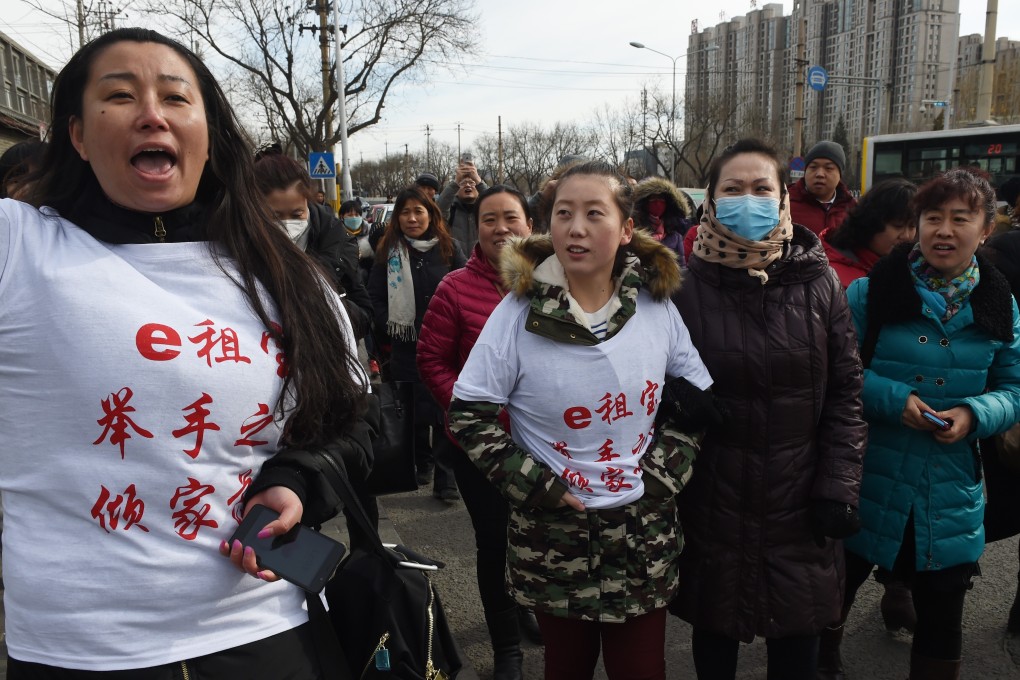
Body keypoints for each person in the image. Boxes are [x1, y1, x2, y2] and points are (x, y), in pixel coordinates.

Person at [1, 27, 370, 677]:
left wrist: (299, 482)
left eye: (176, 97)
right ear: (79, 136)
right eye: (119, 95)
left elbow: (361, 416)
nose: (151, 113)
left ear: (207, 133)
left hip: (266, 627)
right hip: (80, 649)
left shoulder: (286, 276)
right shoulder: (21, 247)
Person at [448, 160, 713, 680]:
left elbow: (699, 398)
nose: (576, 228)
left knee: (641, 669)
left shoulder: (656, 308)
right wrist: (536, 485)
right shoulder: (517, 313)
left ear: (627, 229)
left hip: (641, 534)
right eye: (564, 214)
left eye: (595, 213)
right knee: (564, 667)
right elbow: (468, 416)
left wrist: (662, 475)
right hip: (553, 538)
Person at [670, 138, 867, 680]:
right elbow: (650, 385)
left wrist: (838, 487)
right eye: (732, 189)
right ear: (710, 200)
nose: (747, 200)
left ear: (783, 197)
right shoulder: (681, 290)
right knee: (714, 646)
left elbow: (847, 393)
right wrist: (676, 400)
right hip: (714, 499)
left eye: (762, 188)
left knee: (796, 648)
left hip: (801, 501)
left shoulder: (819, 282)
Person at [838, 168, 1020, 679]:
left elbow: (1015, 388)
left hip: (950, 485)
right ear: (916, 225)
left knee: (942, 613)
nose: (944, 230)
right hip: (865, 473)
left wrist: (975, 414)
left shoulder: (999, 303)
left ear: (986, 229)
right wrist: (894, 399)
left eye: (961, 218)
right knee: (834, 594)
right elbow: (837, 373)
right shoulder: (871, 294)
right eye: (932, 217)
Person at [417, 184, 537, 679]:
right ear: (476, 228)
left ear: (530, 224)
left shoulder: (554, 280)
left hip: (545, 443)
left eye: (511, 217)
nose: (502, 228)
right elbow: (432, 359)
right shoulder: (455, 288)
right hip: (480, 447)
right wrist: (474, 412)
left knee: (538, 537)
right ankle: (506, 646)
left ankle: (530, 605)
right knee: (494, 543)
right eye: (490, 219)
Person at [369, 187, 466, 500]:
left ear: (431, 214)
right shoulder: (387, 252)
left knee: (444, 411)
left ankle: (446, 478)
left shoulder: (450, 249)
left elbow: (465, 291)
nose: (412, 218)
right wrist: (392, 328)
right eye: (405, 212)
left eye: (419, 211)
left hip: (444, 347)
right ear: (397, 217)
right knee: (411, 410)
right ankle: (420, 462)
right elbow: (374, 299)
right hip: (405, 348)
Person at [253, 151, 373, 338]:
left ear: (308, 204)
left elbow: (364, 317)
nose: (286, 224)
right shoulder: (239, 251)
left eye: (296, 214)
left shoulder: (339, 244)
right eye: (275, 216)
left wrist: (323, 305)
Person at [821, 177, 918, 289]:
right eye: (897, 226)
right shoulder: (834, 278)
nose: (906, 236)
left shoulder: (918, 270)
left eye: (912, 226)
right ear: (871, 221)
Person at [788, 140, 857, 237]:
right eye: (813, 167)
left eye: (828, 168)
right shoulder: (785, 203)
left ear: (840, 174)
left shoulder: (852, 209)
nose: (820, 174)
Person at [632, 176, 694, 257]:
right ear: (645, 203)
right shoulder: (634, 234)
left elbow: (682, 266)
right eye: (653, 198)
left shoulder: (675, 236)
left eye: (661, 198)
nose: (657, 203)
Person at [437, 158, 487, 250]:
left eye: (472, 183)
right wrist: (456, 181)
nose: (468, 185)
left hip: (481, 263)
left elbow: (496, 203)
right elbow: (439, 209)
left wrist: (478, 181)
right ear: (456, 190)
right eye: (463, 183)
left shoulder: (485, 210)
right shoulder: (452, 209)